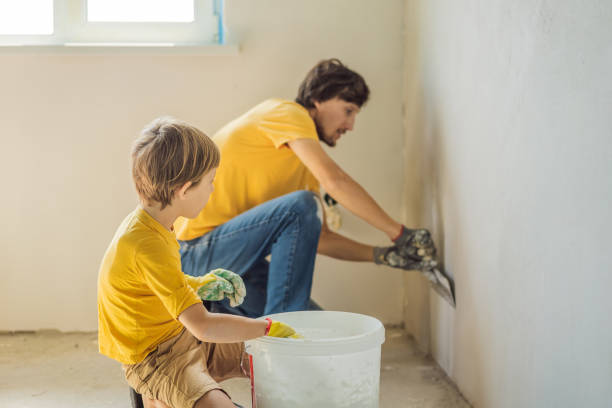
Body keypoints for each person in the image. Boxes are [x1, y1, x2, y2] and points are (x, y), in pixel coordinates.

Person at [175, 58, 437, 318]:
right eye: (348, 110)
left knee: (320, 332)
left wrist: (385, 255)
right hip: (193, 254)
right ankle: (286, 329)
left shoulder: (302, 166)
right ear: (319, 99)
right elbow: (336, 181)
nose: (351, 125)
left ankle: (284, 329)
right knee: (302, 206)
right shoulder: (288, 113)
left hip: (230, 266)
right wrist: (399, 233)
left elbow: (322, 239)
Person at [97, 118, 297, 408]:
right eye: (210, 181)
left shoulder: (154, 223)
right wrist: (265, 327)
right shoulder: (145, 242)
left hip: (177, 334)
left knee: (262, 357)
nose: (213, 190)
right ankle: (156, 396)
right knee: (221, 397)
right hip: (156, 358)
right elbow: (202, 325)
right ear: (185, 189)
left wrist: (200, 284)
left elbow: (157, 283)